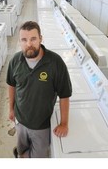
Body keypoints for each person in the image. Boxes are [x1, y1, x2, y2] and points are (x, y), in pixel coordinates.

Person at [6, 21, 72, 158]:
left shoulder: (55, 63)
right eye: (24, 40)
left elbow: (64, 95)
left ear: (41, 39)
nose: (28, 44)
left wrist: (64, 123)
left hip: (41, 124)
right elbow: (11, 85)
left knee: (39, 157)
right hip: (20, 120)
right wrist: (11, 109)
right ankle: (21, 154)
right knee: (22, 147)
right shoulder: (15, 61)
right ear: (19, 41)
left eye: (33, 39)